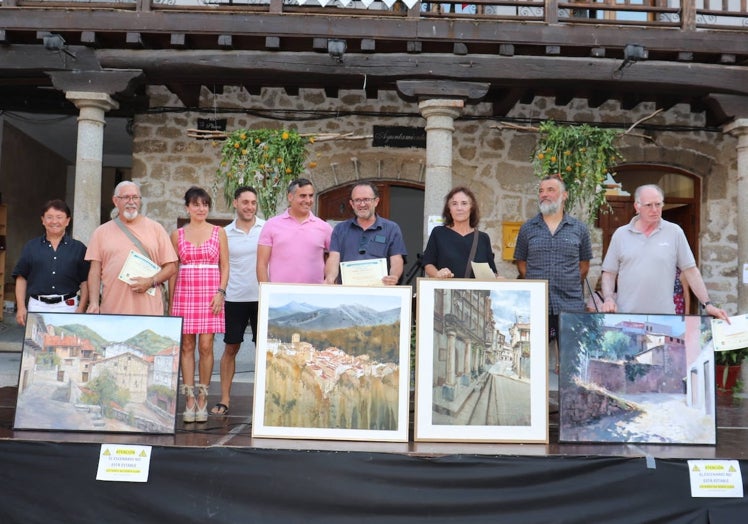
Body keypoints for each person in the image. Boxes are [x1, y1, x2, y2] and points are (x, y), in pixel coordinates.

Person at [601, 184, 728, 321]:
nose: (654, 210)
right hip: (626, 318)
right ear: (637, 207)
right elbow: (609, 273)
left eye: (658, 204)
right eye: (649, 205)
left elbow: (691, 271)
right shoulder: (621, 234)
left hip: (664, 320)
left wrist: (707, 304)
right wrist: (608, 298)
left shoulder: (675, 232)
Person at [514, 175, 592, 372]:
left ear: (564, 195)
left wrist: (568, 281)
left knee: (570, 362)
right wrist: (535, 282)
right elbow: (521, 264)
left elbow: (584, 266)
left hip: (570, 305)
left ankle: (567, 402)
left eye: (550, 190)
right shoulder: (527, 229)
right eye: (541, 191)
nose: (544, 195)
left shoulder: (580, 229)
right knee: (536, 362)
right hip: (538, 305)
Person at [168, 186, 229, 423]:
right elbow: (172, 270)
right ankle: (189, 399)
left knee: (205, 345)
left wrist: (220, 293)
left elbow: (225, 265)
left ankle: (203, 398)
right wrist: (172, 303)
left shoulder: (218, 232)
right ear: (187, 207)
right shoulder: (177, 235)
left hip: (210, 293)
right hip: (184, 291)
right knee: (186, 346)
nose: (201, 208)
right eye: (196, 204)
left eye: (204, 204)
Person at [85, 181, 178, 316]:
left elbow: (171, 267)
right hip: (112, 310)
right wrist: (93, 302)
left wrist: (151, 281)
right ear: (116, 201)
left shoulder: (156, 229)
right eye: (126, 197)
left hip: (149, 311)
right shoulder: (101, 232)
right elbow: (94, 270)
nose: (131, 201)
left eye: (135, 197)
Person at [211, 186, 265, 416]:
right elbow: (221, 265)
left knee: (263, 351)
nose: (249, 207)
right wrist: (220, 292)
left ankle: (264, 403)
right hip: (234, 298)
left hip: (263, 296)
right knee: (231, 347)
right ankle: (224, 399)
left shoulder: (267, 228)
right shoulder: (225, 232)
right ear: (235, 203)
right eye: (245, 202)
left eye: (253, 202)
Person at [12, 199, 90, 326]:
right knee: (36, 344)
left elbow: (85, 281)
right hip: (37, 306)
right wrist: (21, 307)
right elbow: (21, 277)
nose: (54, 222)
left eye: (59, 217)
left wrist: (81, 308)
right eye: (49, 217)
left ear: (67, 221)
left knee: (66, 343)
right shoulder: (31, 247)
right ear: (43, 220)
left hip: (68, 307)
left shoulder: (79, 248)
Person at [324, 182, 407, 285]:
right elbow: (333, 258)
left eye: (366, 199)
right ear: (352, 204)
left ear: (376, 201)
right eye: (357, 200)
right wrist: (330, 277)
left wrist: (394, 276)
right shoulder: (340, 229)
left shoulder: (391, 228)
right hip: (347, 291)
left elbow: (396, 260)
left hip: (379, 292)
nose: (362, 204)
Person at [257, 177, 332, 284]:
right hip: (280, 295)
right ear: (290, 197)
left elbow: (335, 256)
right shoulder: (271, 225)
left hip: (314, 295)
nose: (308, 200)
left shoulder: (324, 227)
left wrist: (329, 280)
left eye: (310, 196)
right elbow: (261, 264)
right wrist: (264, 293)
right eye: (303, 196)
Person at [422, 186, 497, 279]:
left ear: (472, 207)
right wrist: (438, 274)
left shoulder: (483, 238)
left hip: (475, 292)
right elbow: (428, 264)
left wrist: (500, 280)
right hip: (445, 291)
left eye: (464, 203)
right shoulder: (439, 233)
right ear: (449, 209)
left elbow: (492, 271)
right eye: (454, 204)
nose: (459, 208)